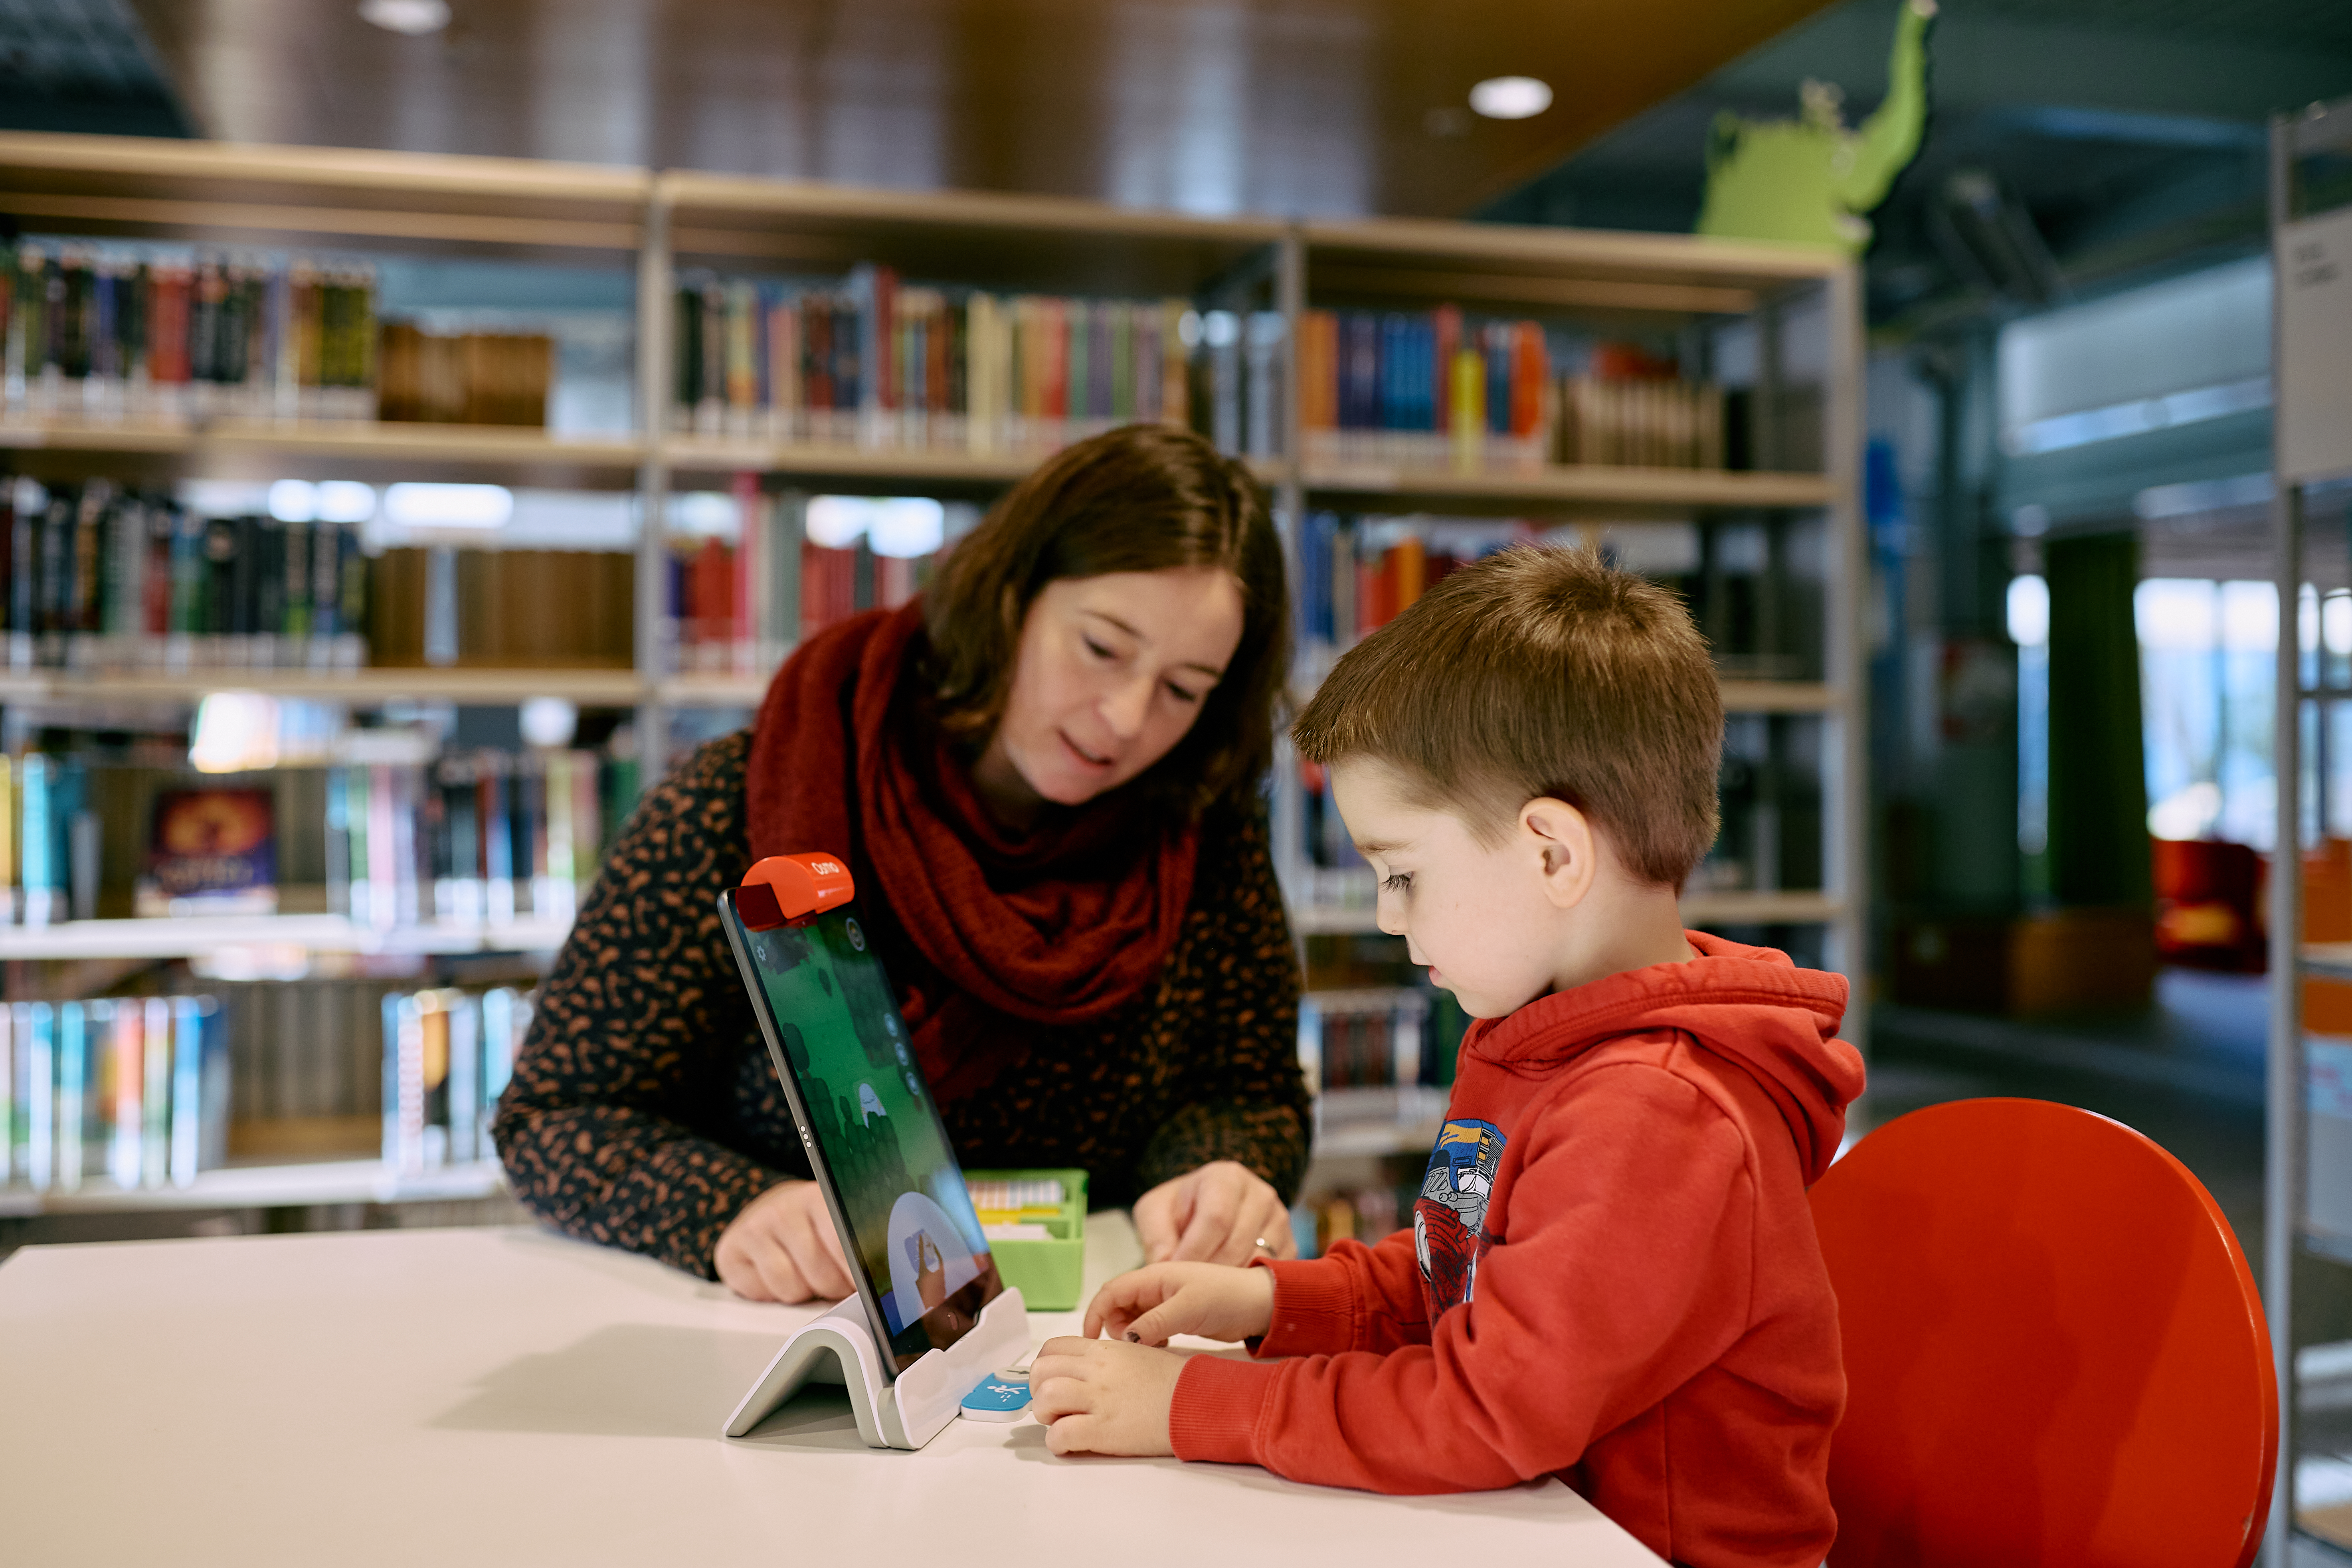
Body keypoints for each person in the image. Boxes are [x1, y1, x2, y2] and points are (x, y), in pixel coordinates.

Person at [1028, 546, 1866, 1568]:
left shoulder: (1655, 1111)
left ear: (1552, 853)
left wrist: (1194, 1405)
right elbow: (1457, 1276)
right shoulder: (1543, 1032)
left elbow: (1486, 1410)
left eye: (1403, 874)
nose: (1386, 918)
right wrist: (1277, 1301)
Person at [493, 425, 1310, 1302]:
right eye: (1102, 648)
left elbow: (1250, 1092)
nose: (1122, 717)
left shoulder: (1202, 831)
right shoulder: (742, 798)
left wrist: (1216, 1176)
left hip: (1096, 1338)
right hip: (799, 1329)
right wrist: (734, 1208)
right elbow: (556, 1117)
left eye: (1184, 689)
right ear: (1012, 595)